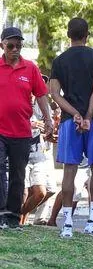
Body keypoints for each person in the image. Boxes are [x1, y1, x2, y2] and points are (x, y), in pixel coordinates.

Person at [49, 18, 93, 238]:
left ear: (68, 35)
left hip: (69, 120)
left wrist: (75, 113)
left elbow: (55, 94)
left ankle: (67, 223)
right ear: (87, 35)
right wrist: (88, 117)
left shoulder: (59, 60)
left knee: (69, 169)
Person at [0, 26, 53, 230]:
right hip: (0, 131)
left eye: (19, 46)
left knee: (18, 174)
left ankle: (13, 216)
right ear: (2, 46)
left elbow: (41, 95)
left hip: (22, 132)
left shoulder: (30, 68)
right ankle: (1, 212)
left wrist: (48, 120)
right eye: (11, 46)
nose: (15, 49)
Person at [20, 91, 57, 225]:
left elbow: (48, 129)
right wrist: (31, 125)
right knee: (23, 192)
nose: (31, 95)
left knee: (41, 192)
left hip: (38, 154)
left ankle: (18, 216)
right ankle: (18, 223)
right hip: (20, 153)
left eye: (33, 92)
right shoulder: (17, 103)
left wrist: (49, 134)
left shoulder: (42, 107)